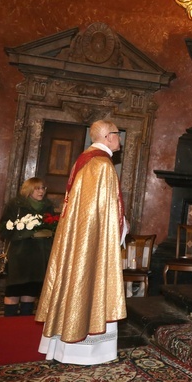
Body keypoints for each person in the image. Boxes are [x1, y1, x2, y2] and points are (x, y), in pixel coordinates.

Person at [36, 119, 128, 365]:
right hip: (93, 239)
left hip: (77, 236)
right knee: (91, 279)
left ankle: (62, 347)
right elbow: (109, 211)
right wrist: (119, 228)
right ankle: (87, 352)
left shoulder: (84, 160)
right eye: (118, 134)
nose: (120, 139)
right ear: (108, 136)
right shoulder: (102, 165)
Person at [0, 178, 56, 316]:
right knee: (14, 291)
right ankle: (9, 327)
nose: (41, 191)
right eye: (37, 188)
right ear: (29, 189)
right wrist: (26, 231)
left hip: (39, 256)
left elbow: (53, 228)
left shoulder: (48, 206)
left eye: (43, 188)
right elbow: (3, 228)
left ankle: (23, 329)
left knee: (31, 291)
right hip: (19, 255)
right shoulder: (16, 205)